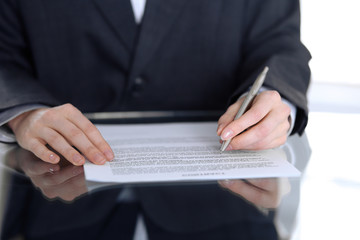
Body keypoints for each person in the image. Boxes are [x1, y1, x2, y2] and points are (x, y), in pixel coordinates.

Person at [0, 0, 311, 238]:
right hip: (55, 208)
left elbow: (280, 42)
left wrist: (275, 98)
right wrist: (24, 111)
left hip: (226, 213)